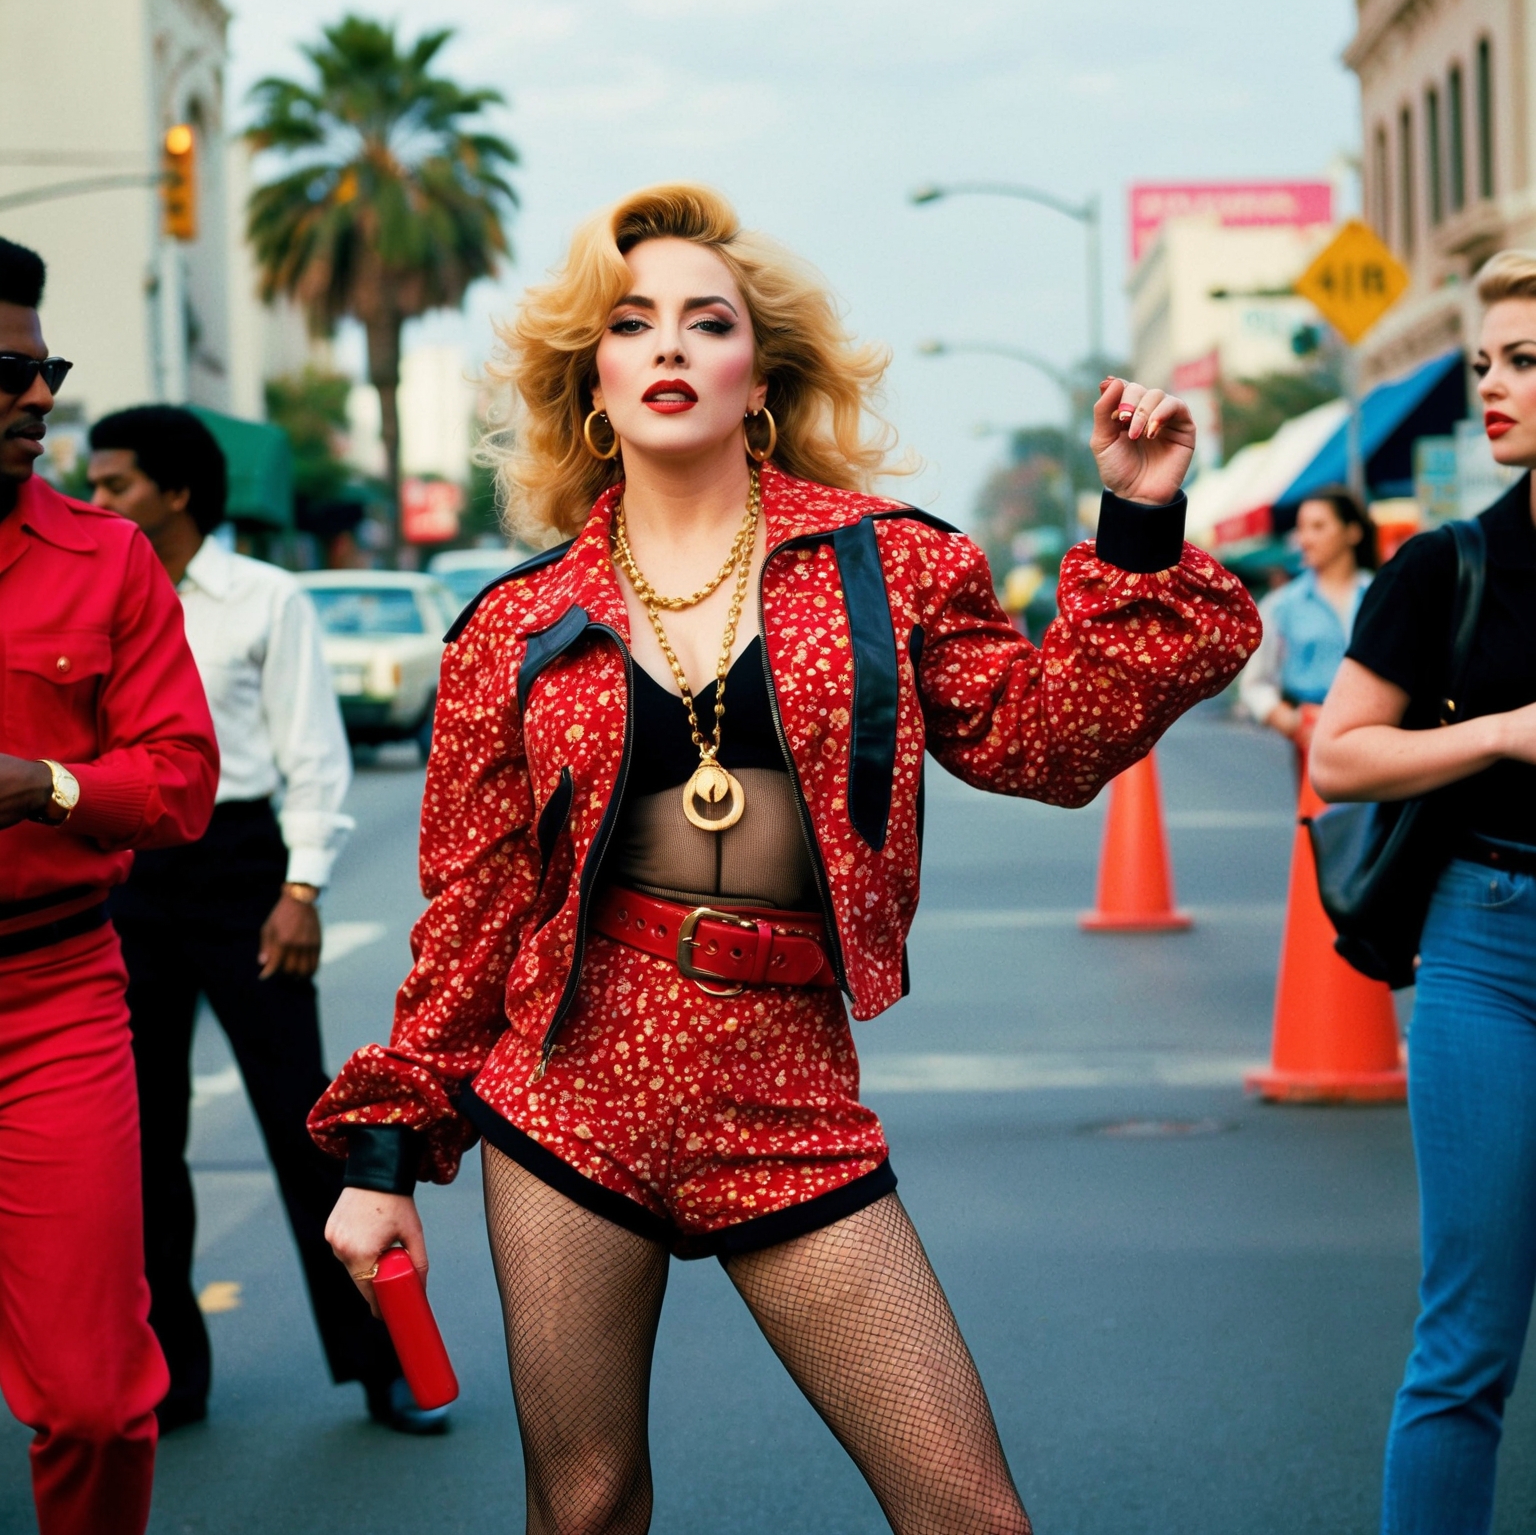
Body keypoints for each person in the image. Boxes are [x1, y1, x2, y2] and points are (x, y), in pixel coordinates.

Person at [310, 184, 1262, 1534]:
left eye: (710, 322)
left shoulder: (891, 568)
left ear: (758, 377)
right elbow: (473, 918)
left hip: (786, 1086)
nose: (672, 348)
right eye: (633, 324)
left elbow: (1046, 744)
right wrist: (382, 1164)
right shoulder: (510, 628)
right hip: (570, 1089)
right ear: (595, 378)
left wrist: (1141, 519)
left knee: (967, 1511)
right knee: (583, 1507)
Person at [86, 407, 447, 1437]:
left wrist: (302, 892)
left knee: (309, 1133)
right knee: (141, 1147)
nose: (98, 498)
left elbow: (312, 754)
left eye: (116, 484)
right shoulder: (96, 592)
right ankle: (173, 1379)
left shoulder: (264, 598)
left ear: (178, 492)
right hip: (128, 875)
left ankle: (391, 1366)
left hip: (245, 872)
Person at [1311, 249, 1536, 1535]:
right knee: (1468, 1344)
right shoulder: (1446, 566)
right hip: (1489, 949)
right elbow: (1342, 755)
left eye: (1525, 361)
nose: (1492, 386)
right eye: (1487, 361)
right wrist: (1505, 734)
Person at [0, 238, 218, 1534]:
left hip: (53, 998)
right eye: (7, 376)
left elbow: (182, 782)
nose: (39, 402)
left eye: (45, 373)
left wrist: (47, 785)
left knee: (91, 1402)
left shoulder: (109, 559)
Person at [1240, 485, 1377, 756]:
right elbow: (1255, 684)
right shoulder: (1281, 605)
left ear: (1353, 531)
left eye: (1318, 526)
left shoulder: (1381, 595)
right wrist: (1288, 721)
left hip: (1378, 736)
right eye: (1302, 528)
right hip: (1315, 743)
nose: (1305, 539)